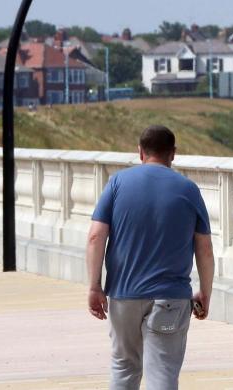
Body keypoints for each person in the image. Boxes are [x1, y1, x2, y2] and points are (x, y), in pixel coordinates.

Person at [86, 125, 213, 390]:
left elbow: (96, 237)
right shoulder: (188, 189)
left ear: (140, 152)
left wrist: (94, 286)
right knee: (162, 373)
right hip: (170, 298)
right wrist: (205, 292)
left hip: (124, 295)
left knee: (124, 367)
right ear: (173, 154)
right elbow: (204, 249)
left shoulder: (118, 183)